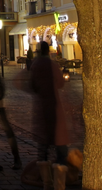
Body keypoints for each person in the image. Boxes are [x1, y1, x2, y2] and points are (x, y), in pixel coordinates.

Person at [29, 41, 71, 189]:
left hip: (41, 106)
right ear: (48, 51)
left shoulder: (35, 65)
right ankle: (59, 184)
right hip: (54, 105)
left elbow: (31, 84)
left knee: (43, 146)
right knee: (60, 146)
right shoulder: (52, 65)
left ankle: (46, 182)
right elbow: (60, 83)